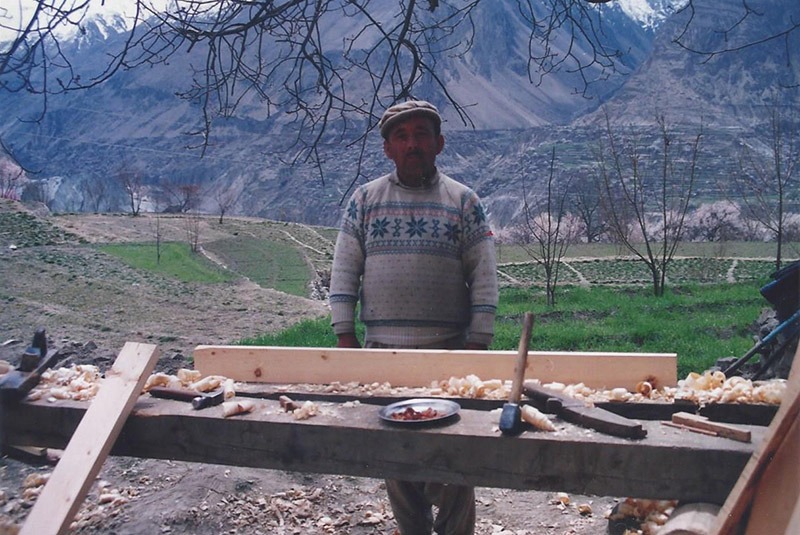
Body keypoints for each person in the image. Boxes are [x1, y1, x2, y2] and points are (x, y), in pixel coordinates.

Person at [329, 99, 498, 535]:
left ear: (439, 143)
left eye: (421, 134)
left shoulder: (464, 201)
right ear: (388, 148)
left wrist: (477, 345)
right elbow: (345, 268)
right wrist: (345, 336)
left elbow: (484, 276)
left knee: (453, 461)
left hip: (449, 357)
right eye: (402, 137)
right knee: (397, 459)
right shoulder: (365, 200)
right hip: (382, 357)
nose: (413, 144)